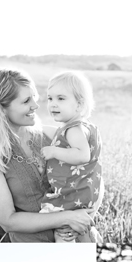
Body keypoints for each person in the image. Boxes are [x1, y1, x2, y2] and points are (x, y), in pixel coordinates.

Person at [0, 68, 95, 242]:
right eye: (26, 101)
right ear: (0, 108)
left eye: (34, 97)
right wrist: (67, 218)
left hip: (80, 238)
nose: (35, 106)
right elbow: (8, 221)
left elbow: (95, 176)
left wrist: (86, 216)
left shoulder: (53, 136)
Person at [39, 71, 104, 243]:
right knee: (79, 232)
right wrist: (38, 128)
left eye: (61, 98)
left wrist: (54, 152)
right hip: (83, 192)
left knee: (63, 232)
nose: (53, 104)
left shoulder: (74, 129)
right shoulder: (78, 127)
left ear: (79, 104)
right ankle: (90, 238)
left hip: (73, 196)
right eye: (50, 98)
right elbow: (60, 136)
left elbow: (82, 155)